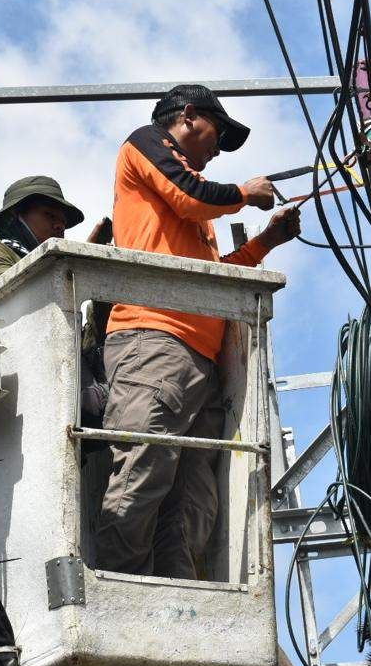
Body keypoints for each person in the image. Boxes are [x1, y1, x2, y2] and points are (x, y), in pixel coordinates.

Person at [95, 84, 301, 580]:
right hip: (152, 339)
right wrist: (242, 195)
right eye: (217, 134)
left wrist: (266, 242)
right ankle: (121, 601)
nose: (215, 150)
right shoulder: (144, 142)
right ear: (187, 116)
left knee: (192, 503)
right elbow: (192, 195)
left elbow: (213, 274)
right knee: (141, 479)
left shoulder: (195, 213)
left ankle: (172, 615)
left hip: (196, 359)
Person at [0, 175, 112, 429]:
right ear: (17, 215)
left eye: (63, 222)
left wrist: (98, 281)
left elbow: (81, 339)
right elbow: (11, 300)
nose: (59, 226)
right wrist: (74, 268)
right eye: (50, 216)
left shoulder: (53, 269)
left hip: (54, 382)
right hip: (11, 383)